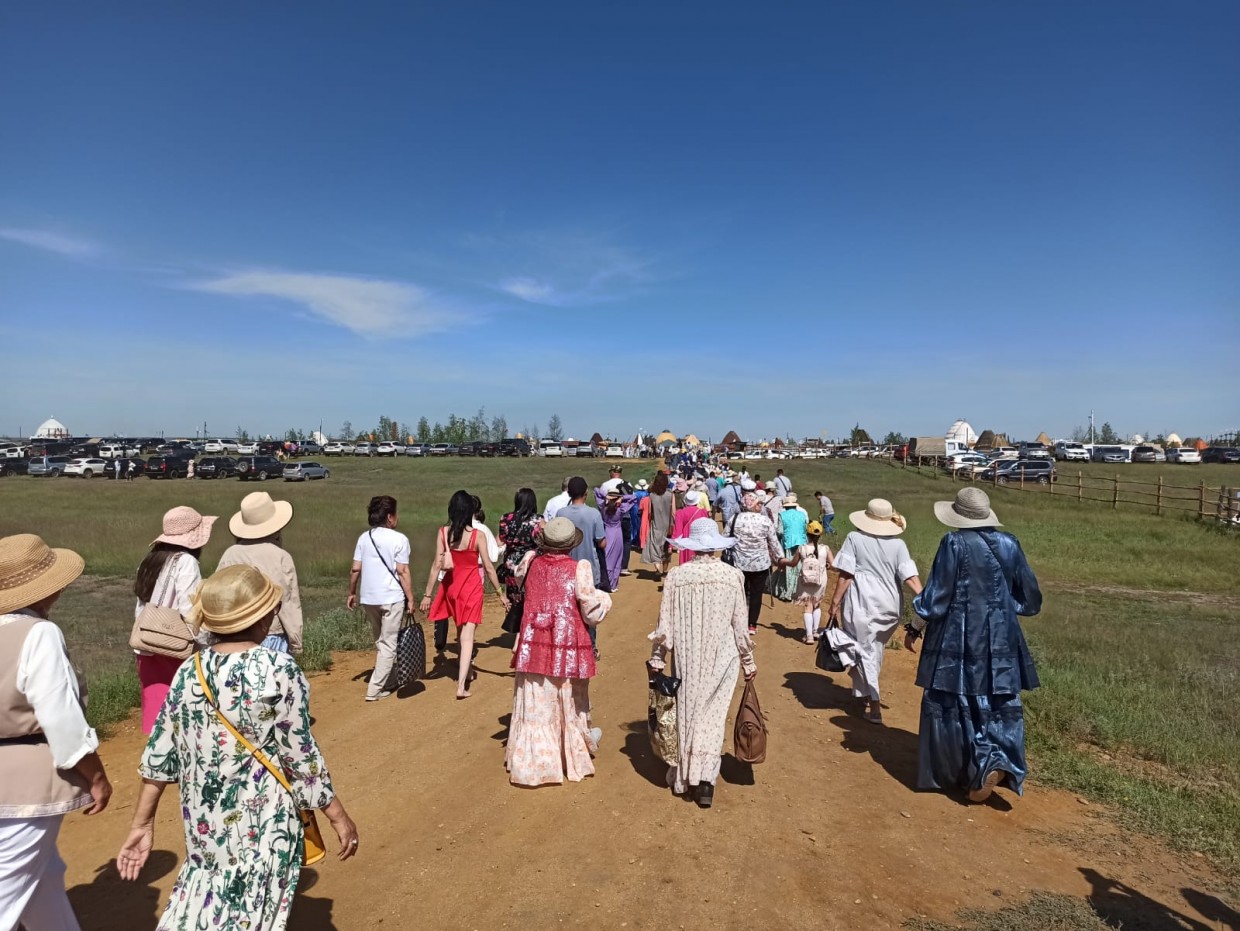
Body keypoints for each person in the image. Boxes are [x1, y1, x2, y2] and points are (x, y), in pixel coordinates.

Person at [117, 565, 359, 930]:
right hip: (265, 826)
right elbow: (300, 756)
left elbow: (160, 755)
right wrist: (338, 816)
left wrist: (142, 823)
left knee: (204, 910)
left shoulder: (189, 670)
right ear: (264, 617)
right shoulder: (279, 669)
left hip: (205, 830)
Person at [0, 534, 112, 931]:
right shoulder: (38, 634)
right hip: (26, 786)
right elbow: (61, 718)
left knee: (43, 876)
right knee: (7, 891)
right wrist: (95, 776)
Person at [907, 487, 1042, 802]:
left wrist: (914, 625)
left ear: (959, 516)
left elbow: (935, 599)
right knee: (996, 699)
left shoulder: (953, 543)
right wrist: (1004, 609)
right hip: (1001, 636)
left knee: (956, 699)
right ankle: (995, 758)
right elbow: (1031, 598)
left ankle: (964, 769)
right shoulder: (1011, 545)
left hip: (958, 634)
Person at [648, 518, 756, 808]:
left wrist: (657, 657)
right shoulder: (733, 576)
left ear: (693, 546)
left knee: (687, 712)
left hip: (687, 657)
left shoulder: (676, 577)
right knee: (712, 718)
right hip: (723, 658)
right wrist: (748, 661)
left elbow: (665, 625)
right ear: (716, 545)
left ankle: (685, 775)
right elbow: (740, 627)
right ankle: (705, 780)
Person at [506, 518, 611, 786]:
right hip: (566, 641)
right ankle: (570, 748)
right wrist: (605, 600)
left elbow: (519, 580)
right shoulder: (579, 569)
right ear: (570, 545)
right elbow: (590, 612)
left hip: (534, 639)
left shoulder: (529, 562)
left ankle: (537, 756)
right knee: (568, 694)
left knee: (537, 697)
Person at [823, 499, 923, 724]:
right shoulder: (898, 545)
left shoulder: (854, 538)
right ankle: (864, 694)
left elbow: (846, 575)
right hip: (890, 606)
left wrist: (835, 602)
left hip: (861, 603)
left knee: (865, 651)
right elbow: (910, 576)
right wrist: (925, 598)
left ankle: (874, 705)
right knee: (874, 649)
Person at [134, 506, 217, 734]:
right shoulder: (186, 562)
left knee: (156, 712)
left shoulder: (149, 561)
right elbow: (189, 609)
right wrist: (206, 642)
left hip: (146, 645)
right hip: (176, 647)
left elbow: (141, 604)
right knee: (184, 714)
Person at [421, 491, 509, 699]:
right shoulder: (477, 536)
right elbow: (488, 567)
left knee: (461, 630)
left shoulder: (443, 533)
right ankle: (461, 685)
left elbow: (436, 565)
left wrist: (427, 594)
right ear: (471, 511)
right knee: (468, 636)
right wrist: (499, 593)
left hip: (451, 588)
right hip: (471, 589)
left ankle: (467, 669)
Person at [216, 491, 303, 654]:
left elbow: (218, 595)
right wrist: (295, 640)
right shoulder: (280, 556)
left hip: (233, 633)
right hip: (270, 632)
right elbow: (288, 602)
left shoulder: (229, 554)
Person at [347, 495, 414, 702]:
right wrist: (410, 598)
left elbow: (355, 569)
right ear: (389, 517)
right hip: (391, 597)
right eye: (395, 513)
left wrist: (351, 592)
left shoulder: (364, 538)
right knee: (388, 644)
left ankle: (390, 678)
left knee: (381, 641)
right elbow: (402, 571)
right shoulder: (400, 539)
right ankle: (374, 690)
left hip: (369, 597)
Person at [728, 492, 785, 633]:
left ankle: (739, 622)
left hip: (739, 563)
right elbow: (774, 542)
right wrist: (780, 558)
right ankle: (752, 624)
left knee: (741, 592)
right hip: (760, 564)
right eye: (758, 503)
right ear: (752, 505)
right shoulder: (765, 521)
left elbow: (725, 539)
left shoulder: (734, 519)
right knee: (756, 594)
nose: (761, 505)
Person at [498, 488, 544, 633]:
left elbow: (501, 540)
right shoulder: (538, 520)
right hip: (530, 563)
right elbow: (543, 542)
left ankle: (516, 628)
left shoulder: (505, 519)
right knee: (530, 597)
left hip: (511, 564)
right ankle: (526, 632)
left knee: (515, 598)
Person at [785, 520, 833, 643]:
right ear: (820, 535)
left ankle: (809, 635)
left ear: (807, 534)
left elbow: (793, 563)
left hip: (805, 581)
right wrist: (826, 565)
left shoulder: (802, 549)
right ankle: (816, 631)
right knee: (817, 604)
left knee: (807, 606)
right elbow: (833, 565)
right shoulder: (825, 549)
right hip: (820, 580)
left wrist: (783, 561)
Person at [594, 485, 636, 590]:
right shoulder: (621, 508)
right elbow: (633, 498)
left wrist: (607, 497)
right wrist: (621, 498)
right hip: (618, 534)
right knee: (617, 558)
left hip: (607, 532)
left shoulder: (602, 506)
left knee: (608, 558)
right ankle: (613, 584)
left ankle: (608, 583)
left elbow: (596, 490)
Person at [771, 493, 809, 602]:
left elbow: (780, 531)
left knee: (790, 567)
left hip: (788, 542)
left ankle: (788, 591)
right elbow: (805, 528)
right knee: (800, 567)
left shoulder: (782, 515)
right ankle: (799, 590)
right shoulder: (802, 514)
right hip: (802, 542)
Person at [640, 471, 676, 577]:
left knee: (655, 546)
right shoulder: (670, 495)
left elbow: (650, 512)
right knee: (666, 548)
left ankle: (658, 569)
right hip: (668, 525)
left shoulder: (651, 495)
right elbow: (673, 512)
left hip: (656, 524)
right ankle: (664, 570)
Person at [669, 490, 709, 565]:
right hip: (699, 541)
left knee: (687, 563)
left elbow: (677, 531)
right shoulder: (703, 512)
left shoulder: (680, 513)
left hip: (686, 541)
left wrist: (671, 545)